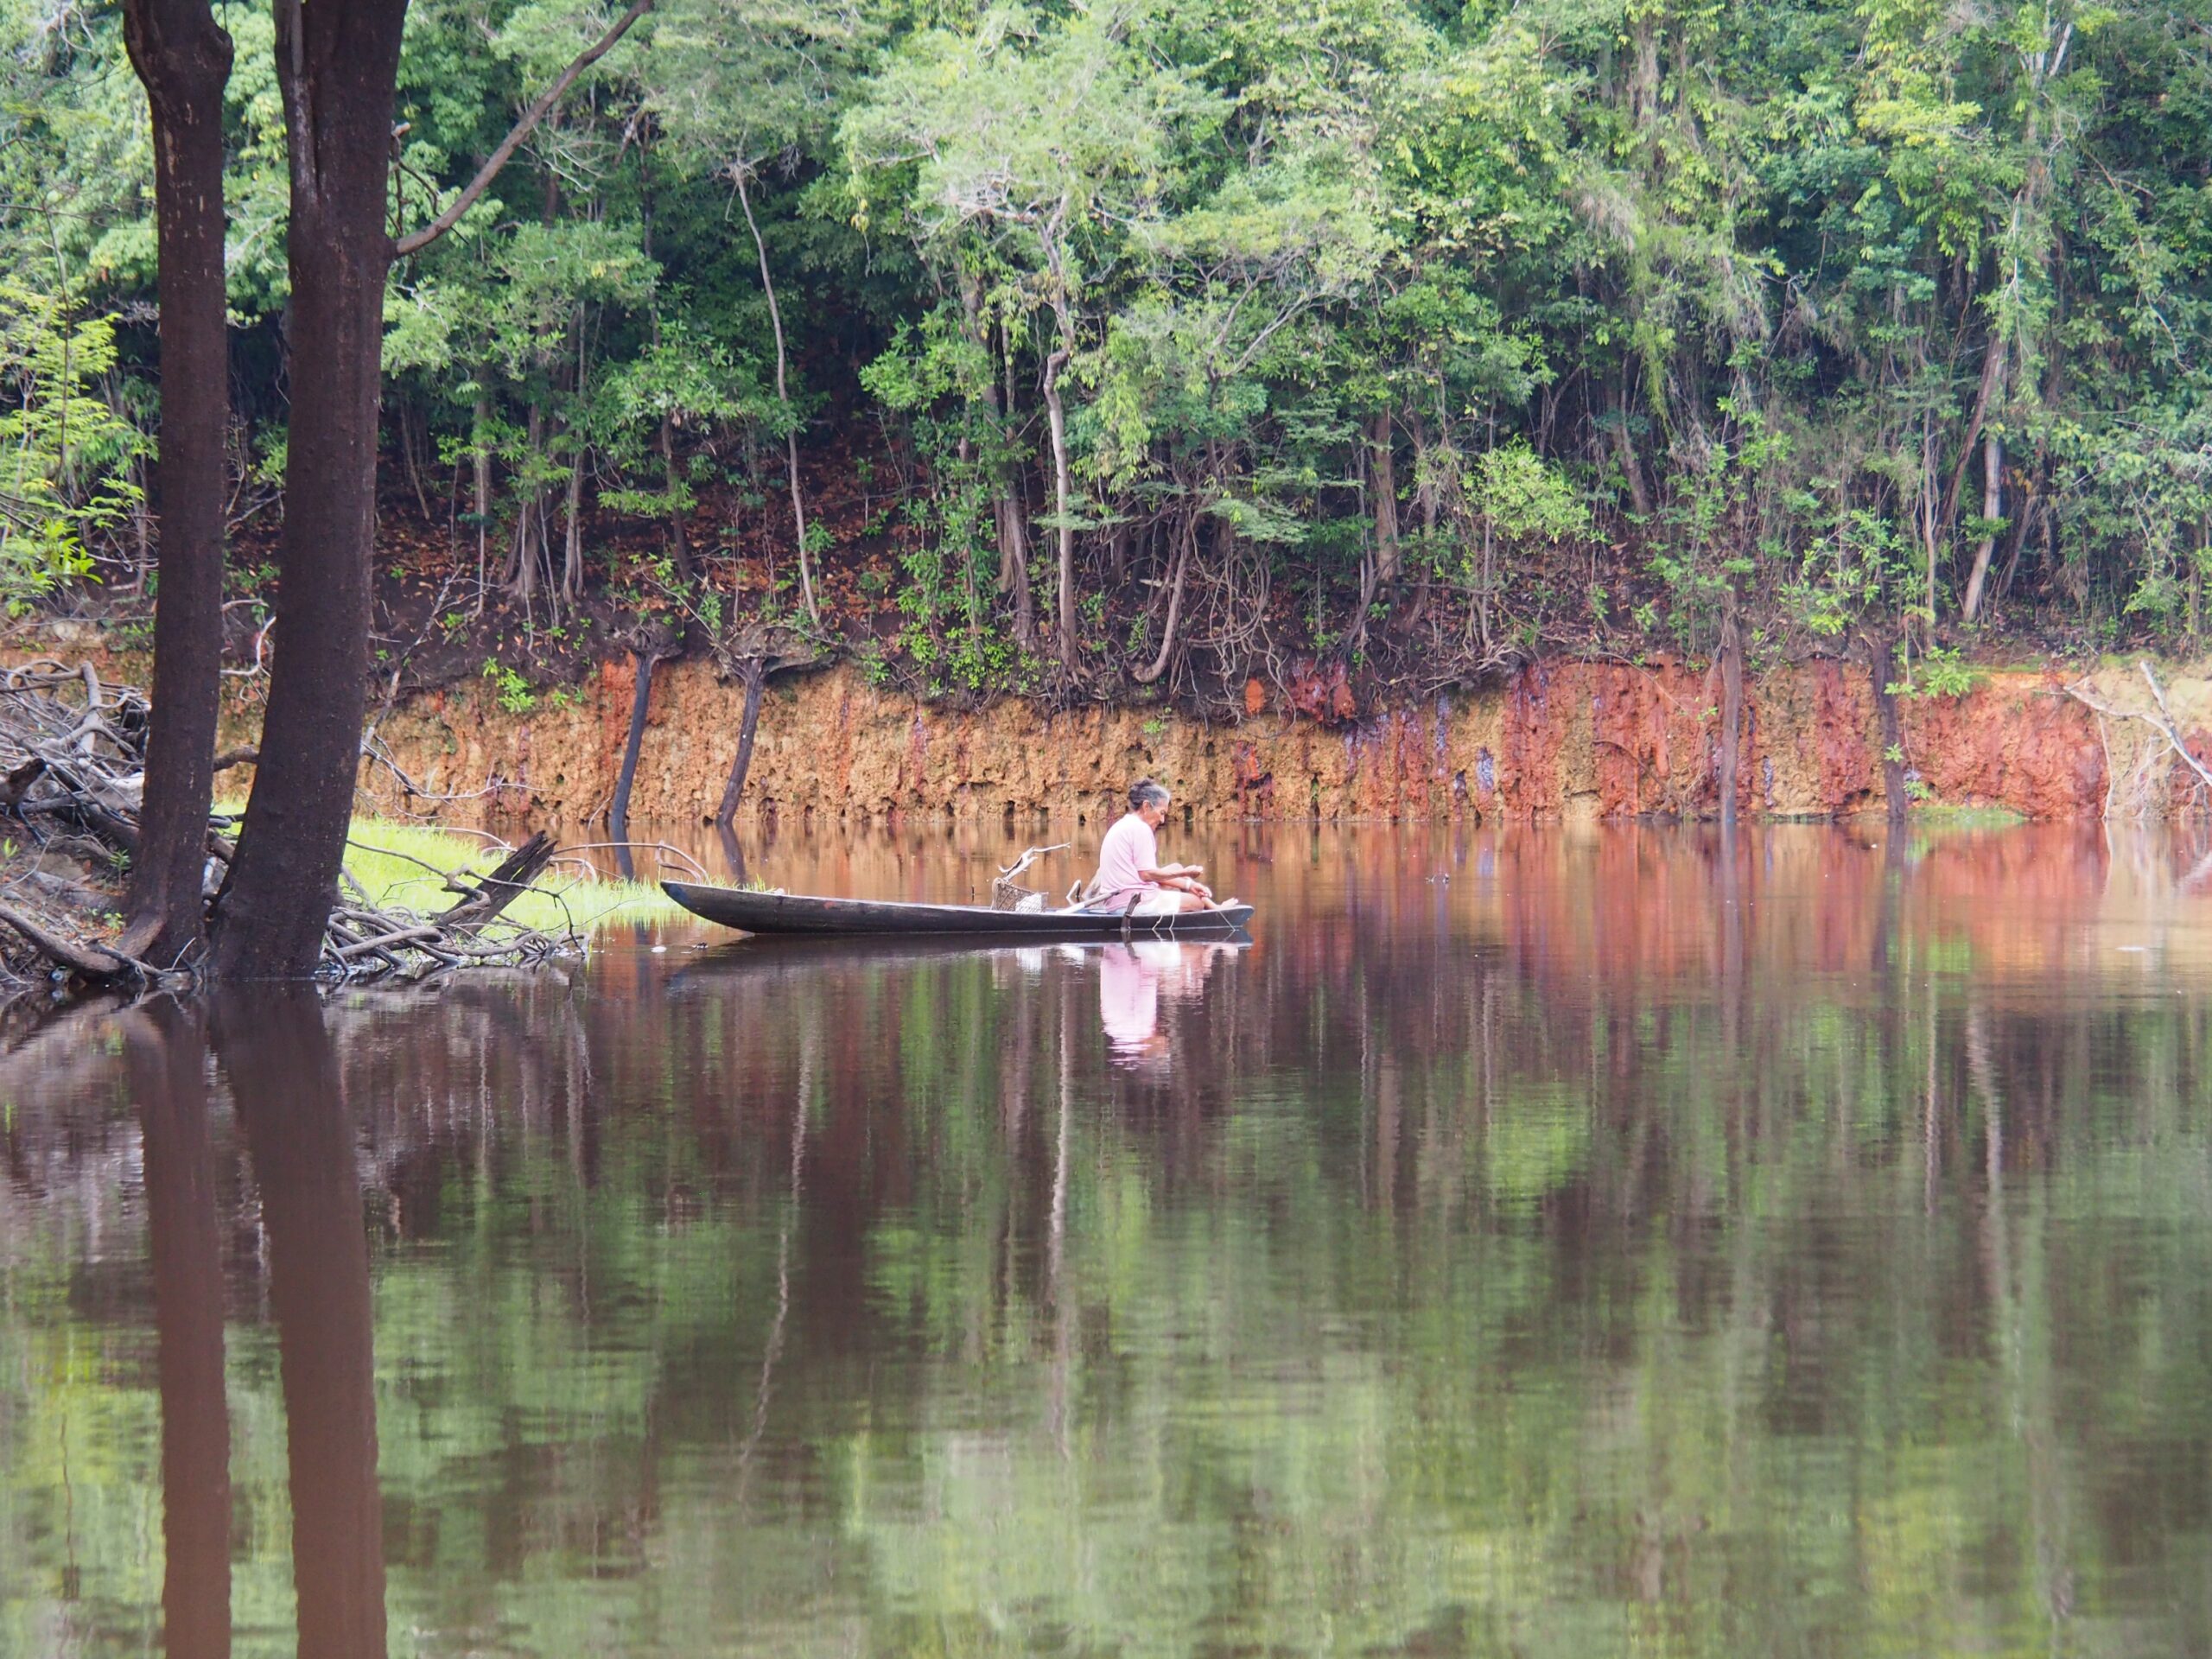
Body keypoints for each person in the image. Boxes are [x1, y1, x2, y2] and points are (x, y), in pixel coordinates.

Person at [1090, 779, 1215, 913]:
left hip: (1118, 901)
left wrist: (1191, 884)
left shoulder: (1125, 823)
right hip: (1131, 904)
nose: (1162, 820)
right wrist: (1186, 873)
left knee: (1176, 868)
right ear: (1147, 806)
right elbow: (1147, 875)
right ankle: (1217, 911)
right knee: (1196, 903)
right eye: (1161, 813)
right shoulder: (1141, 829)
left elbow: (1147, 874)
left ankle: (1215, 908)